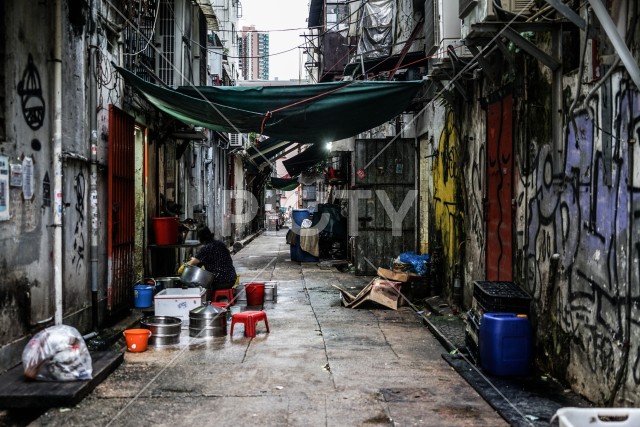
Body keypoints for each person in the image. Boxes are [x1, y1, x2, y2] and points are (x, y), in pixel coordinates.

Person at [179, 225, 237, 291]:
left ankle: (205, 300)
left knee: (196, 285)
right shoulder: (220, 243)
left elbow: (191, 263)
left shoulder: (206, 248)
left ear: (200, 238)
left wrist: (182, 267)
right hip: (232, 279)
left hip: (221, 281)